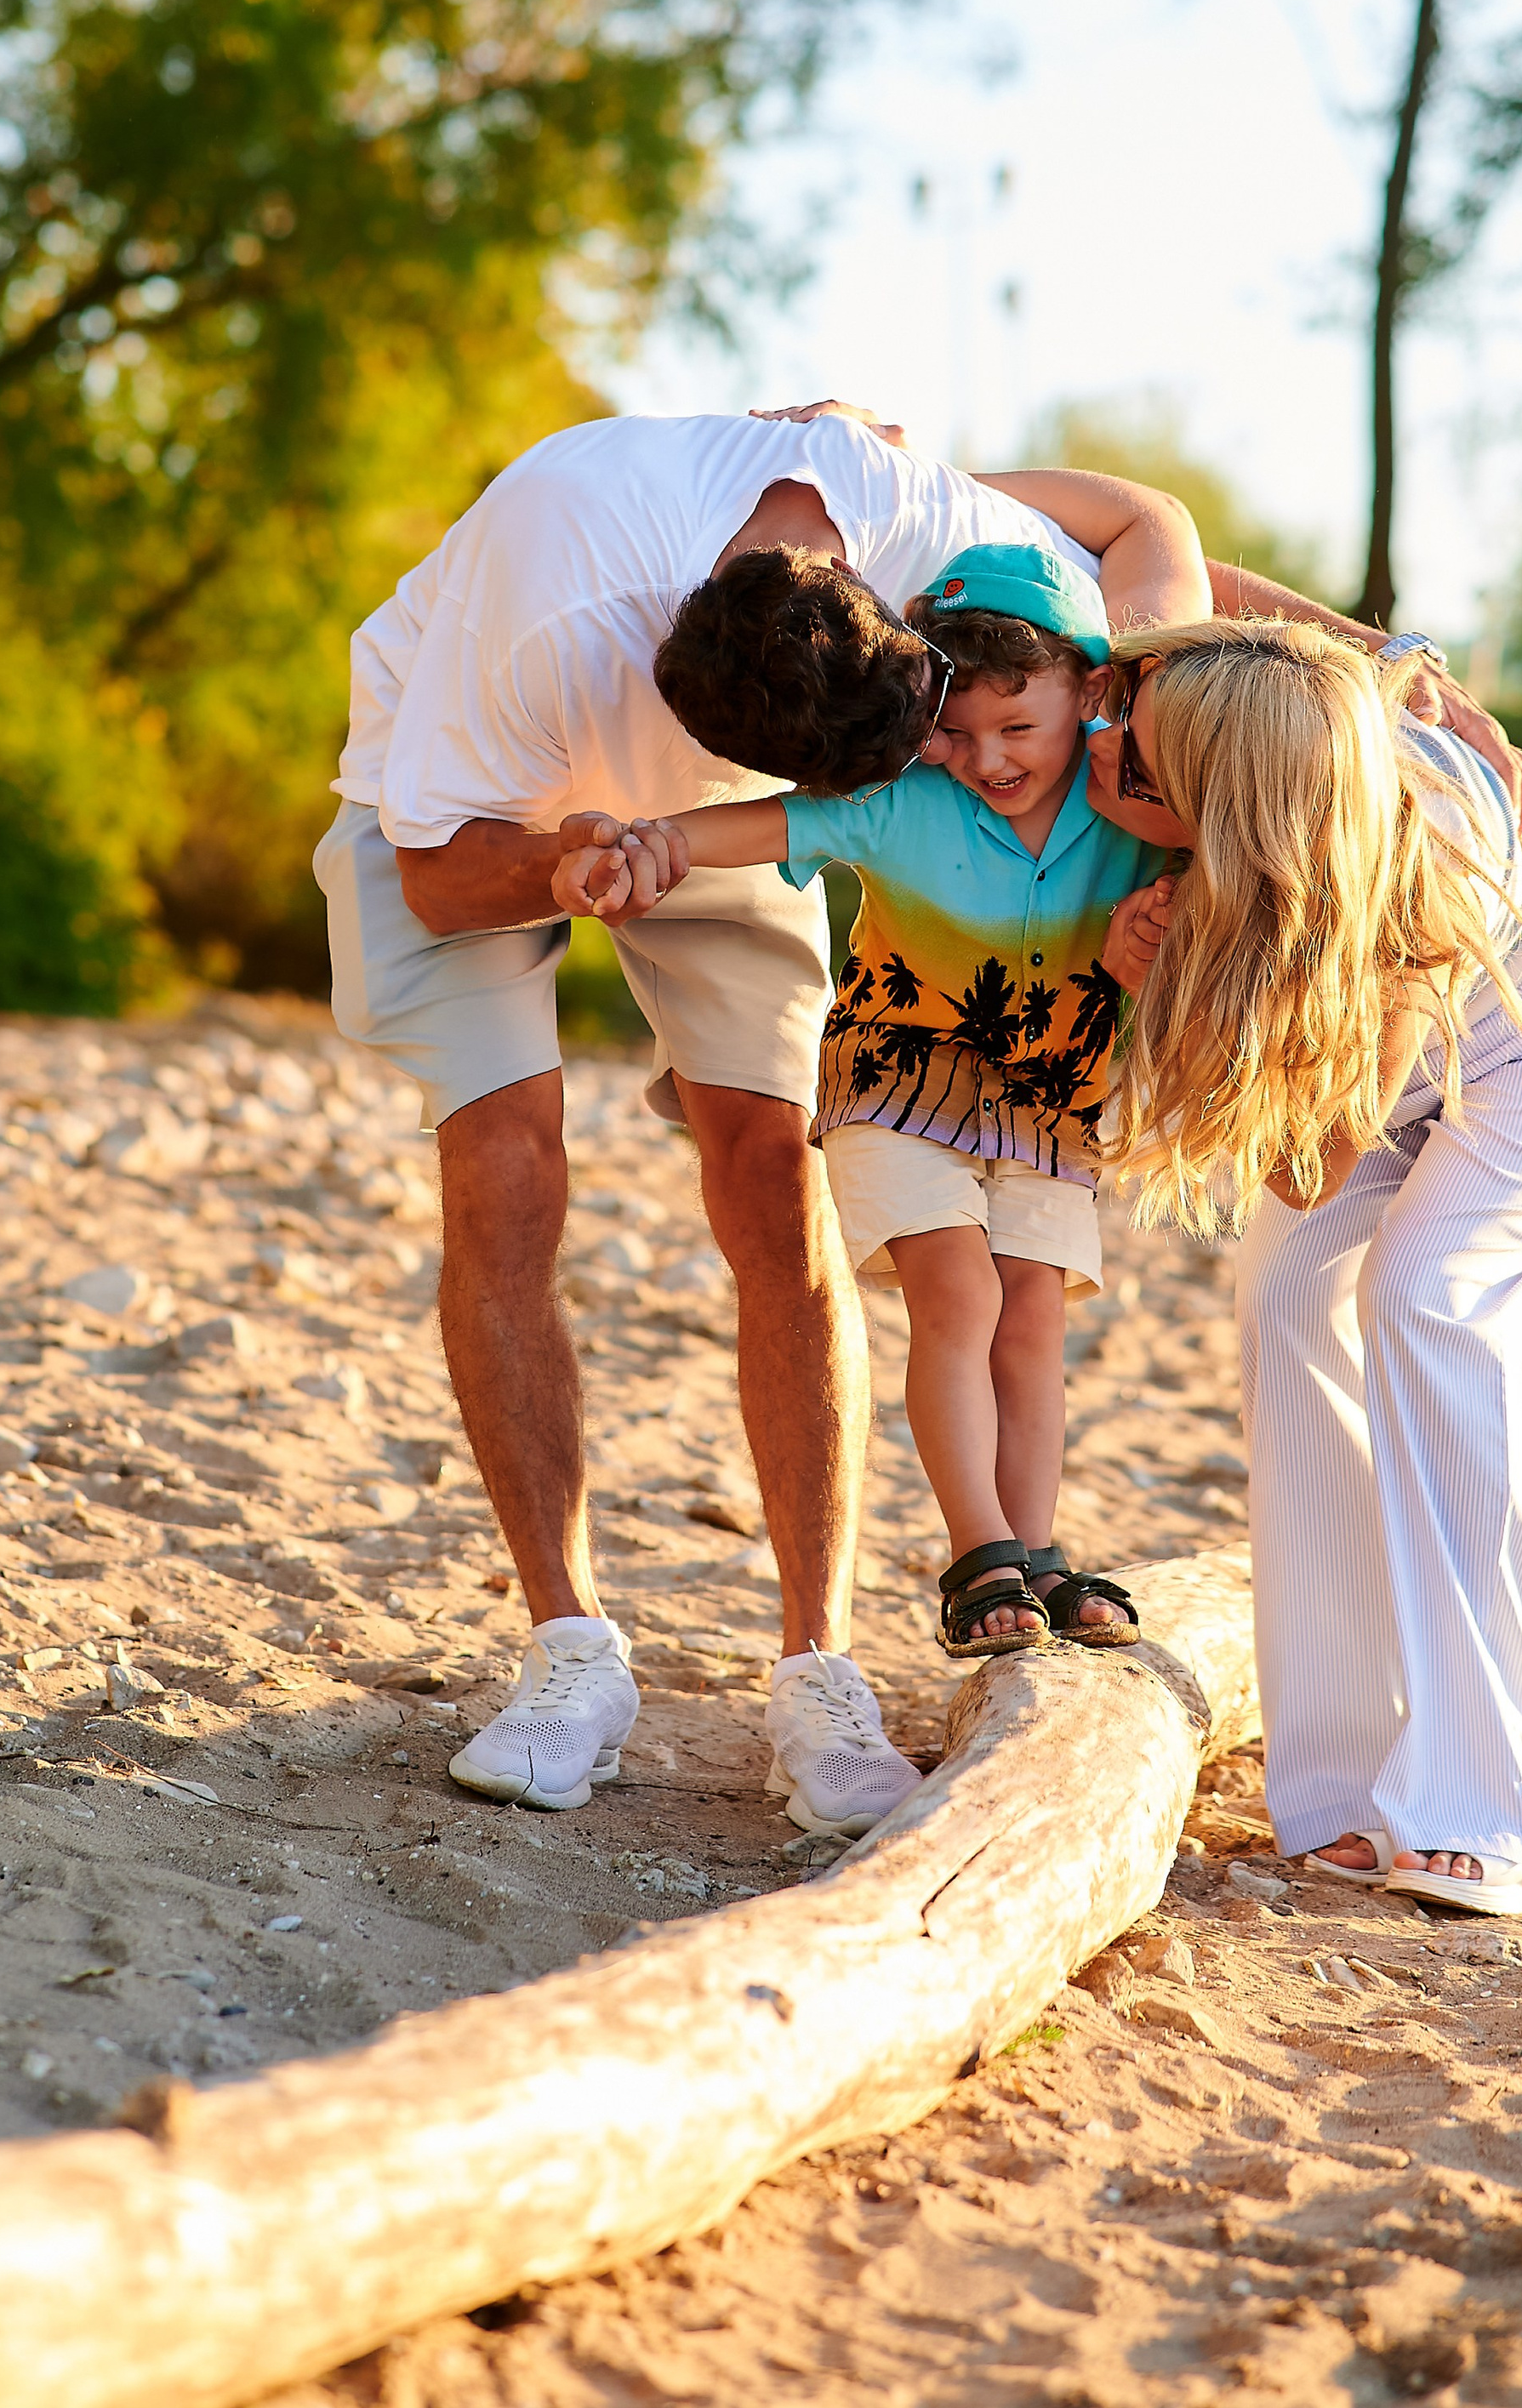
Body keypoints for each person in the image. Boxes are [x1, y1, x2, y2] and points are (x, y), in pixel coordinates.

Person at [316, 405, 1211, 1830]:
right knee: (508, 1165)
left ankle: (818, 1666)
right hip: (472, 817)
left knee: (776, 1170)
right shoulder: (552, 610)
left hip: (721, 820)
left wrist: (1381, 663)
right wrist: (574, 859)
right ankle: (570, 1651)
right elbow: (434, 879)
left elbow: (1140, 553)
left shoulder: (910, 512)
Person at [1082, 617, 1522, 1919]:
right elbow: (1183, 566)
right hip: (1415, 1053)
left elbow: (1308, 1161)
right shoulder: (1288, 733)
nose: (1108, 750)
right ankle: (1348, 1783)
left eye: (1145, 762)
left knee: (1423, 1293)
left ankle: (1490, 1811)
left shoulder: (1427, 866)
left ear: (1237, 799)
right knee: (1290, 1290)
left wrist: (1176, 977)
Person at [557, 540, 1180, 1663]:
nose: (984, 759)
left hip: (1055, 1099)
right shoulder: (904, 802)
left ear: (1091, 690)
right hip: (901, 1080)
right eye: (958, 727)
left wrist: (1168, 926)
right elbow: (775, 825)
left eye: (1017, 729)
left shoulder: (1130, 811)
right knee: (957, 1294)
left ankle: (1034, 1550)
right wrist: (657, 843)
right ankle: (979, 1549)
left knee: (1032, 1315)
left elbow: (1222, 886)